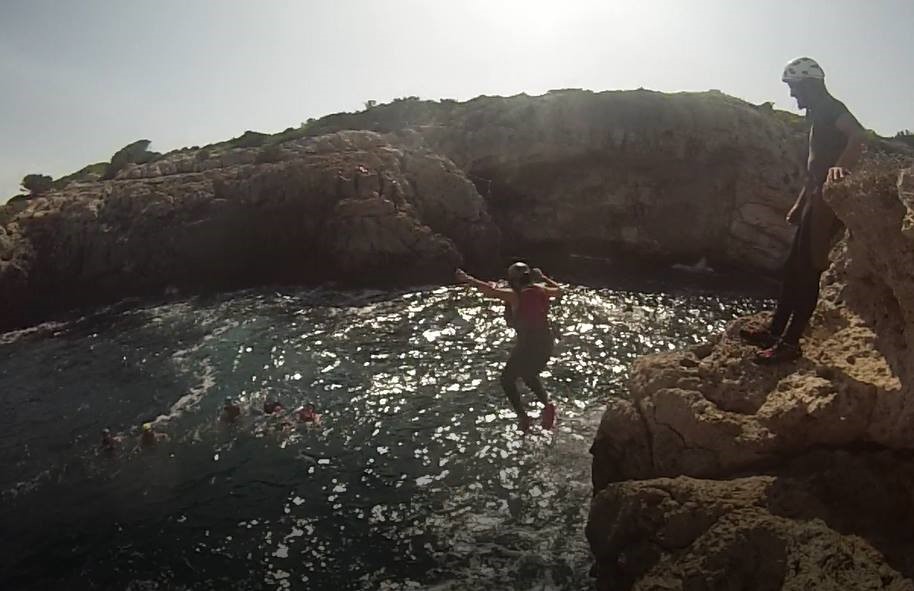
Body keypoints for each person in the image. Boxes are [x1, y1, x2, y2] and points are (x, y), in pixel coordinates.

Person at [741, 57, 865, 364]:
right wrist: (799, 203)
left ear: (810, 85)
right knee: (792, 268)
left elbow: (858, 136)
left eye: (795, 88)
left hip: (825, 200)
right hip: (812, 197)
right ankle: (775, 331)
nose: (793, 95)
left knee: (808, 270)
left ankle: (790, 344)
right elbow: (813, 169)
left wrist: (840, 168)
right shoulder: (817, 113)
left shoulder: (830, 107)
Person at [456, 263, 562, 432]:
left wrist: (468, 279)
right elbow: (559, 290)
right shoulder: (541, 289)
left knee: (506, 380)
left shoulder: (515, 296)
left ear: (514, 280)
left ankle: (523, 418)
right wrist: (543, 278)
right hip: (546, 342)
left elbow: (489, 291)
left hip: (529, 344)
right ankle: (548, 406)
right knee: (528, 374)